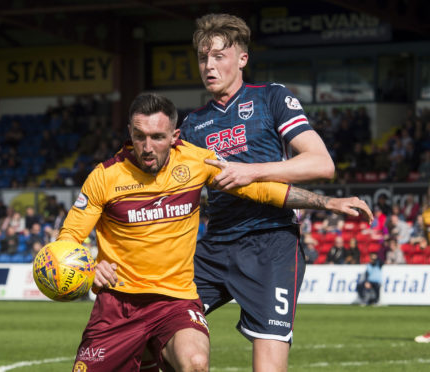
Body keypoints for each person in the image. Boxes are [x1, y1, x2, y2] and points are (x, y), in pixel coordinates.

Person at [59, 93, 372, 372]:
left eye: (157, 137)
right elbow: (68, 239)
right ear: (130, 132)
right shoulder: (104, 177)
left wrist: (328, 202)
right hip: (119, 304)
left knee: (195, 362)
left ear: (174, 136)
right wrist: (88, 264)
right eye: (139, 136)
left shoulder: (197, 161)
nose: (147, 147)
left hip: (176, 301)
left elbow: (261, 190)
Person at [178, 13, 336, 372]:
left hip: (272, 244)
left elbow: (320, 162)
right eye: (203, 58)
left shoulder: (271, 98)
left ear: (242, 59)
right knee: (159, 338)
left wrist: (252, 172)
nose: (209, 66)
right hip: (215, 247)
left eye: (219, 56)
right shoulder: (191, 125)